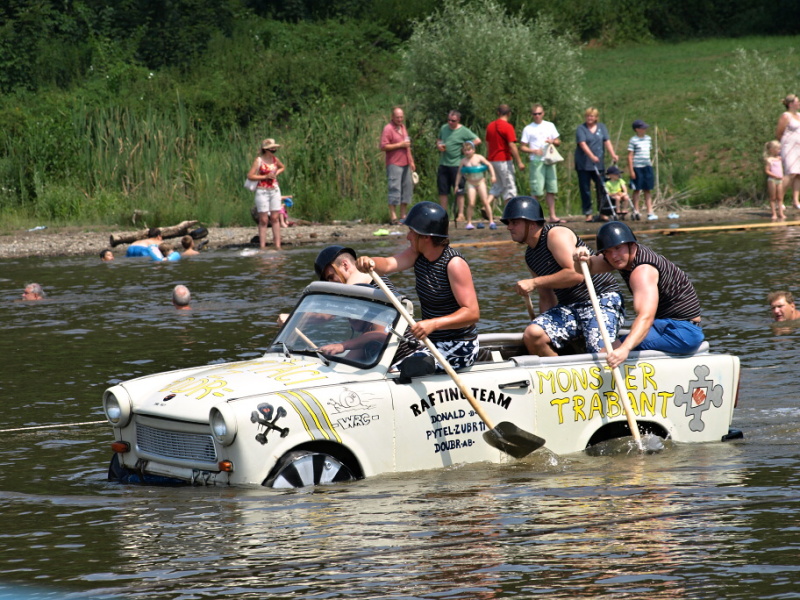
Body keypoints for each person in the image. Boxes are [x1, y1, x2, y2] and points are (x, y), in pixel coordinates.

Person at [356, 201, 480, 371]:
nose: (408, 237)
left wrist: (433, 324)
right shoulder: (417, 255)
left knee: (397, 372)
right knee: (381, 363)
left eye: (411, 232)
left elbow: (472, 313)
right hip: (430, 343)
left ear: (426, 237)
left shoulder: (454, 264)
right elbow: (387, 264)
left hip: (460, 346)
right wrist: (369, 261)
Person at [501, 196, 624, 356]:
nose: (509, 227)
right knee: (533, 335)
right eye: (508, 223)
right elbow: (546, 298)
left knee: (599, 353)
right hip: (569, 308)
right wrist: (544, 323)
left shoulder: (556, 234)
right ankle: (562, 375)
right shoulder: (530, 256)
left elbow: (576, 274)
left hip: (601, 301)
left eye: (514, 222)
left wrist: (534, 282)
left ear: (531, 224)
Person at [575, 222, 704, 369]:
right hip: (670, 326)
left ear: (631, 245)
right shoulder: (626, 257)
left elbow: (645, 316)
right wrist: (579, 257)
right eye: (608, 252)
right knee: (614, 347)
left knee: (608, 352)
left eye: (618, 248)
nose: (614, 256)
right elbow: (585, 268)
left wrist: (624, 349)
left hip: (679, 332)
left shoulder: (642, 271)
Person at [520, 104, 564, 224]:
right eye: (535, 114)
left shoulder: (550, 125)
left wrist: (553, 141)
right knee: (536, 189)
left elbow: (558, 141)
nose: (537, 116)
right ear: (532, 115)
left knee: (551, 187)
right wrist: (533, 150)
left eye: (539, 113)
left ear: (543, 113)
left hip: (549, 159)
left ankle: (553, 215)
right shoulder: (528, 129)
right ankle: (535, 215)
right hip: (536, 160)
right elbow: (522, 146)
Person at [437, 111, 481, 225]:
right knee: (443, 190)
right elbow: (439, 139)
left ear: (458, 121)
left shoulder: (464, 130)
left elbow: (477, 140)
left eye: (453, 121)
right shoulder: (444, 128)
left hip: (457, 163)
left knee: (459, 190)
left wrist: (465, 147)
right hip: (444, 162)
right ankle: (443, 214)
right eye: (449, 120)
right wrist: (439, 145)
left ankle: (461, 214)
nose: (450, 123)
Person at [575, 107, 618, 223]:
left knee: (602, 188)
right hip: (584, 164)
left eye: (592, 116)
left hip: (599, 164)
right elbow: (582, 144)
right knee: (585, 188)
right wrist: (591, 156)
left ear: (596, 117)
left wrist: (613, 154)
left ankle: (604, 212)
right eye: (588, 116)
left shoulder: (602, 127)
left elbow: (607, 141)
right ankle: (588, 213)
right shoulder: (581, 129)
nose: (590, 118)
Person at [485, 104, 525, 216]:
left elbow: (487, 143)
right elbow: (512, 145)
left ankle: (486, 205)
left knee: (497, 186)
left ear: (498, 113)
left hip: (492, 160)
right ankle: (509, 213)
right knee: (509, 186)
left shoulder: (490, 126)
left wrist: (489, 157)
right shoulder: (507, 127)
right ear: (509, 114)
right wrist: (519, 161)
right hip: (503, 159)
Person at [379, 107, 417, 225]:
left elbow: (407, 146)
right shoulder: (388, 129)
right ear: (392, 117)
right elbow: (383, 146)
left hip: (406, 162)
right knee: (394, 188)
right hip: (394, 163)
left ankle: (403, 215)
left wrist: (411, 160)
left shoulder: (403, 128)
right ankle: (393, 216)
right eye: (397, 117)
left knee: (407, 188)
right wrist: (399, 144)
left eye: (401, 117)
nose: (400, 119)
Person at [247, 138, 285, 250]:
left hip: (274, 189)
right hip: (262, 190)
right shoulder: (259, 160)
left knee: (275, 217)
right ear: (265, 149)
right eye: (271, 148)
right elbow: (250, 175)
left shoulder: (274, 159)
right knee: (263, 219)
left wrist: (275, 173)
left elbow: (282, 167)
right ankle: (262, 246)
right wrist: (265, 176)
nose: (273, 149)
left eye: (274, 148)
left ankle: (277, 245)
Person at [454, 141, 497, 230]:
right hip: (470, 183)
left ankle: (491, 221)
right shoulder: (463, 161)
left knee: (485, 201)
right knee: (471, 203)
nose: (467, 152)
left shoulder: (479, 157)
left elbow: (489, 165)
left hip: (480, 182)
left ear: (473, 150)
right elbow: (459, 173)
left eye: (469, 150)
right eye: (465, 150)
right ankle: (469, 223)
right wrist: (456, 185)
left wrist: (493, 176)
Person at [627, 119, 656, 221]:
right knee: (637, 189)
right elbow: (630, 156)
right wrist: (631, 171)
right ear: (637, 129)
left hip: (647, 166)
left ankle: (650, 211)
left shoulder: (648, 139)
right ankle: (636, 210)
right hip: (637, 167)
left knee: (647, 189)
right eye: (642, 128)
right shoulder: (633, 140)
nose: (644, 129)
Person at [776, 94, 800, 211]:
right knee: (790, 173)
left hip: (799, 147)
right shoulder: (786, 116)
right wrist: (784, 145)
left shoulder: (799, 115)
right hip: (789, 147)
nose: (799, 103)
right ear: (791, 104)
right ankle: (779, 200)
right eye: (797, 101)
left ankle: (795, 201)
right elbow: (779, 132)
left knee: (798, 174)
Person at [764, 140, 787, 221]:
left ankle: (781, 213)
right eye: (777, 149)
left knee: (780, 197)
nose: (779, 151)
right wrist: (775, 176)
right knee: (773, 197)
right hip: (772, 180)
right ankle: (774, 213)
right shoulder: (769, 160)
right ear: (772, 150)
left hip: (780, 180)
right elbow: (767, 170)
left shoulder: (779, 159)